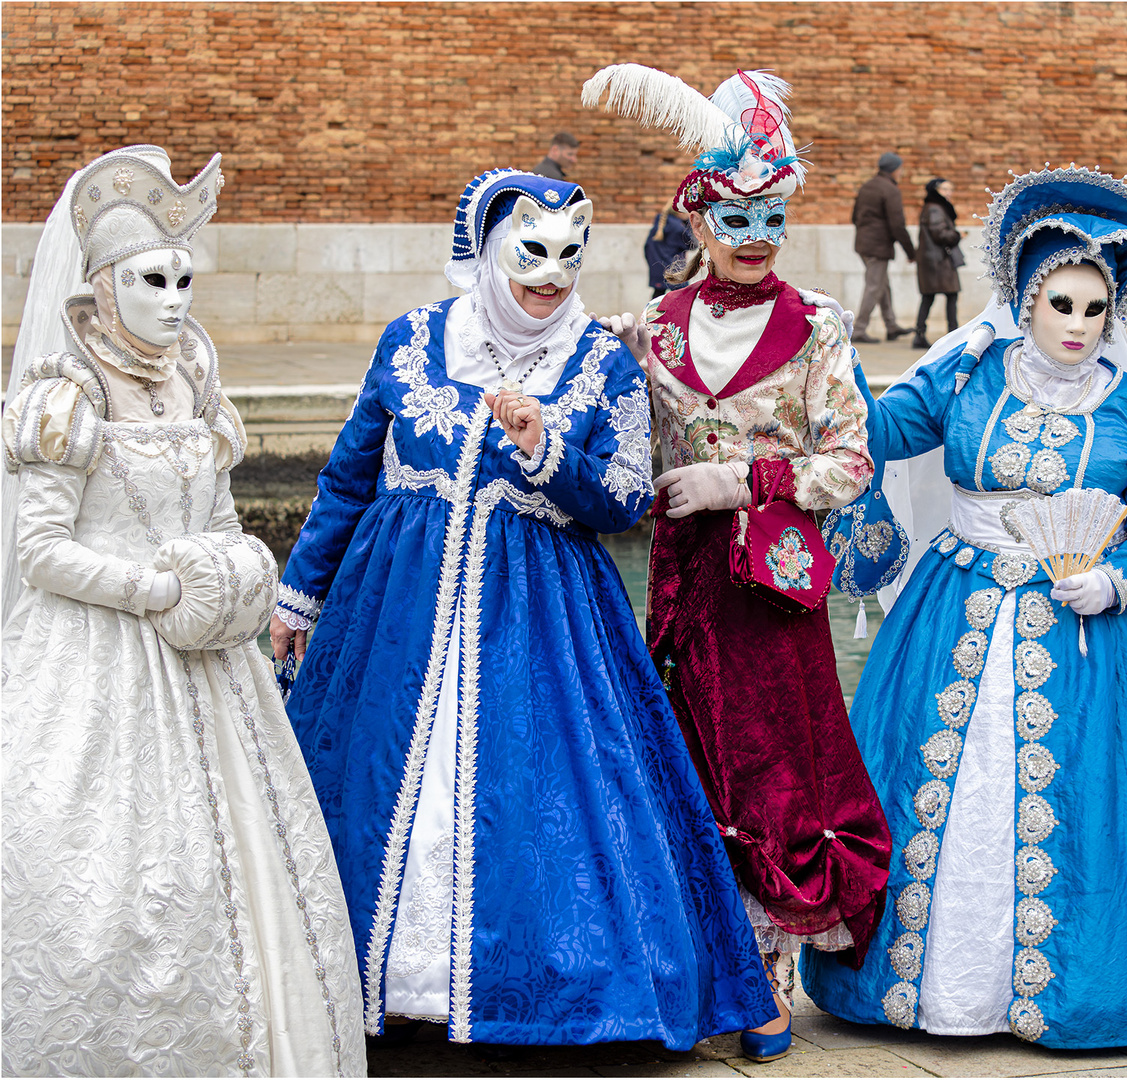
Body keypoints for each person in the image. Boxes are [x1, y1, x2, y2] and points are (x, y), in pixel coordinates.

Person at [268, 167, 774, 1049]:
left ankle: (546, 995)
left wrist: (545, 450)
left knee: (537, 804)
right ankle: (372, 984)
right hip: (393, 619)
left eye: (569, 258)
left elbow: (622, 500)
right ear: (487, 252)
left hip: (542, 626)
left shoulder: (601, 362)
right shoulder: (414, 340)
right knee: (372, 782)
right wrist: (299, 594)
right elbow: (349, 479)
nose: (551, 276)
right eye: (530, 256)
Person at [800, 166, 1127, 1048]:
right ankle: (929, 988)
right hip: (955, 608)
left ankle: (1099, 988)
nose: (1080, 327)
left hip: (1100, 639)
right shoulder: (966, 374)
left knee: (1104, 811)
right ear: (1025, 300)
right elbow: (877, 431)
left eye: (1096, 309)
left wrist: (1118, 578)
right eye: (1062, 306)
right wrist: (823, 347)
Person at [1, 146, 367, 1076]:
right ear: (100, 289)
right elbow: (39, 553)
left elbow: (222, 520)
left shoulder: (197, 382)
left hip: (213, 666)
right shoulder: (63, 396)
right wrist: (157, 590)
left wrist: (238, 574)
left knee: (246, 871)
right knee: (104, 874)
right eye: (151, 280)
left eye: (183, 280)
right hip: (94, 661)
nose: (173, 299)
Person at [584, 64, 892, 1063]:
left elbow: (850, 459)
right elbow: (582, 383)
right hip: (683, 587)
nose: (754, 237)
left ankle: (763, 987)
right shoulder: (656, 327)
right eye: (734, 217)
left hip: (775, 589)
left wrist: (746, 485)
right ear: (697, 217)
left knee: (774, 779)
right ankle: (695, 971)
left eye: (770, 217)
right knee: (688, 767)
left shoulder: (817, 327)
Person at [851, 151, 916, 344]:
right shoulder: (890, 189)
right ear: (895, 170)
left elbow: (854, 217)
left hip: (863, 244)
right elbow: (898, 225)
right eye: (900, 169)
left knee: (882, 285)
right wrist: (911, 251)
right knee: (874, 287)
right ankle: (859, 329)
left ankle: (891, 326)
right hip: (878, 247)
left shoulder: (867, 186)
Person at [914, 177, 963, 350]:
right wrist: (956, 235)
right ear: (935, 190)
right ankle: (953, 334)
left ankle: (920, 334)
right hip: (938, 261)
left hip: (935, 260)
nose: (948, 193)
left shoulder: (934, 207)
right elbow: (939, 233)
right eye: (944, 189)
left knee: (930, 297)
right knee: (949, 295)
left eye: (950, 189)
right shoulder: (935, 208)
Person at [645, 203, 694, 297]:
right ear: (680, 212)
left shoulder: (658, 225)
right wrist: (689, 222)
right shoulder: (678, 228)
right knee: (684, 295)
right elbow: (692, 244)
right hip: (675, 269)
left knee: (658, 295)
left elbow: (647, 248)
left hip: (657, 267)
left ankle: (652, 312)